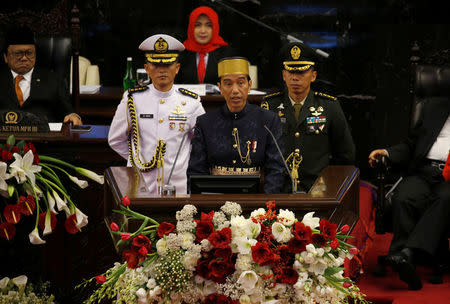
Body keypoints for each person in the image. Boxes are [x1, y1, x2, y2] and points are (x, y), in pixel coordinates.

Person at [368, 97, 450, 290]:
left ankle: (405, 254)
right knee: (405, 197)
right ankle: (405, 261)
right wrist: (387, 153)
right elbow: (411, 145)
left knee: (445, 198)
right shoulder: (433, 107)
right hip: (424, 170)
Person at [108, 34, 205, 195]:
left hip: (177, 186)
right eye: (156, 65)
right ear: (147, 68)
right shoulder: (132, 99)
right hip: (140, 183)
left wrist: (183, 161)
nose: (162, 70)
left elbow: (202, 142)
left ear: (177, 68)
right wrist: (138, 158)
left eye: (167, 65)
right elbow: (115, 139)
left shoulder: (191, 102)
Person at [261, 42, 355, 192]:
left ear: (313, 76)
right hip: (278, 190)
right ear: (284, 75)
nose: (295, 78)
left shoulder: (329, 106)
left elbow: (345, 155)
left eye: (301, 73)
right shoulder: (269, 106)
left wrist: (330, 186)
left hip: (319, 190)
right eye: (291, 72)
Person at [188, 57, 285, 193]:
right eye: (228, 84)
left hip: (256, 202)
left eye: (241, 83)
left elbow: (276, 169)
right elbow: (196, 170)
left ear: (249, 85)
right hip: (214, 199)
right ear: (220, 87)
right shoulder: (205, 122)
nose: (235, 90)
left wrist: (265, 205)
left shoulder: (268, 120)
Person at [0, 26, 82, 125]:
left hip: (44, 138)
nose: (24, 58)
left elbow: (68, 112)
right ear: (6, 57)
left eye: (29, 53)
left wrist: (73, 116)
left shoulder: (53, 79)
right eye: (18, 54)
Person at [178, 6, 232, 84]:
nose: (203, 31)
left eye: (209, 25)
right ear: (191, 27)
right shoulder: (182, 52)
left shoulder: (226, 54)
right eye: (197, 25)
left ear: (215, 28)